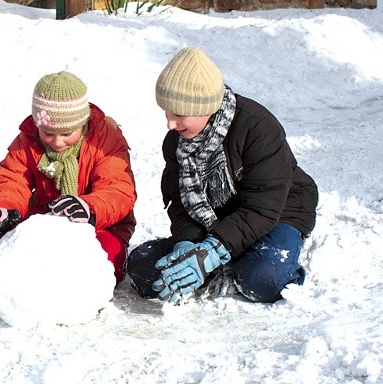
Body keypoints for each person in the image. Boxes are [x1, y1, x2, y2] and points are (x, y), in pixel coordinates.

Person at [127, 47, 318, 304]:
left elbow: (262, 207)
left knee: (261, 280)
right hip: (217, 220)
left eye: (179, 114)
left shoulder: (258, 128)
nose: (170, 124)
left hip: (278, 211)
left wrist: (212, 251)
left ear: (204, 106)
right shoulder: (177, 142)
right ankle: (225, 257)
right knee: (143, 268)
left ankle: (258, 258)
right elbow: (180, 202)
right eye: (167, 112)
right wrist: (187, 244)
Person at [0, 71, 136, 284]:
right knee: (27, 262)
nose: (57, 142)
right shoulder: (29, 139)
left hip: (103, 223)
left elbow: (118, 188)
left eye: (66, 134)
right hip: (48, 218)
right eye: (48, 133)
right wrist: (4, 207)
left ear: (82, 124)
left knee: (104, 266)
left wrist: (89, 208)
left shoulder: (105, 138)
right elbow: (12, 179)